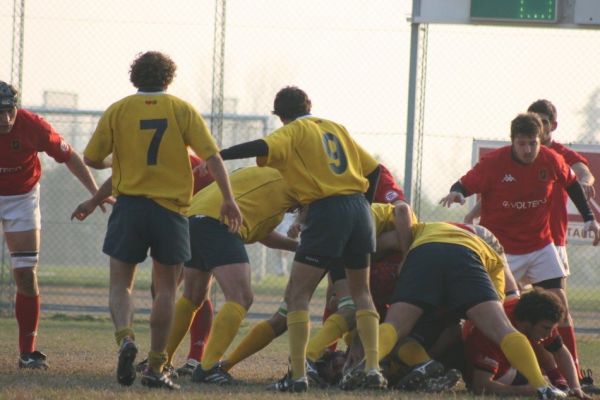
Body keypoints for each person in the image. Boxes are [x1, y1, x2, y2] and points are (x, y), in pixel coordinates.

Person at [82, 51, 241, 390]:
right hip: (170, 211)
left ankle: (125, 338)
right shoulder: (181, 109)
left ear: (134, 76)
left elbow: (92, 158)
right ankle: (156, 366)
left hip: (129, 207)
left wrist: (123, 159)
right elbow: (212, 157)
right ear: (169, 78)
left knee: (120, 284)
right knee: (166, 290)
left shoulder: (119, 109)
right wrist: (229, 199)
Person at [219, 86, 384, 392]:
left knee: (298, 294)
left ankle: (297, 376)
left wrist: (219, 154)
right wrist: (365, 206)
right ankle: (373, 368)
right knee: (362, 293)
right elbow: (375, 170)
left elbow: (262, 144)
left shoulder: (294, 129)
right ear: (310, 105)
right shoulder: (336, 127)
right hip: (360, 209)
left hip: (328, 210)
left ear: (280, 115)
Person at [343, 205, 568, 399]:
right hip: (467, 256)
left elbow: (383, 241)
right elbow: (496, 306)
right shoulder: (490, 251)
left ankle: (370, 367)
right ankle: (542, 387)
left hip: (425, 252)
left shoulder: (422, 228)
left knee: (396, 326)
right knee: (502, 330)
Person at [463, 101, 597, 391]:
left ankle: (572, 375)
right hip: (502, 251)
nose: (528, 149)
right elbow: (471, 183)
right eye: (522, 144)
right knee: (499, 310)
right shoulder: (496, 162)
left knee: (558, 305)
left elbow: (576, 180)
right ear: (513, 141)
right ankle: (482, 361)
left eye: (533, 143)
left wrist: (589, 220)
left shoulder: (552, 158)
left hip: (541, 245)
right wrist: (457, 193)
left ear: (544, 136)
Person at [162, 166, 300, 385]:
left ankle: (161, 361)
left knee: (193, 296)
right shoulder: (295, 182)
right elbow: (312, 202)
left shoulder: (259, 174)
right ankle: (207, 368)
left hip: (192, 219)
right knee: (241, 296)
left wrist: (296, 247)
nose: (294, 211)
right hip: (216, 222)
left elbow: (263, 233)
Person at [0, 81, 102, 370]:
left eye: (9, 111)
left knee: (25, 275)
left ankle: (27, 352)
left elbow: (70, 157)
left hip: (22, 198)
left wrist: (95, 194)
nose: (6, 120)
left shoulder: (33, 125)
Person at [464, 288, 590, 399]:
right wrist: (525, 390)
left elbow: (560, 350)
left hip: (509, 362)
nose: (550, 333)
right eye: (546, 328)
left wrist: (575, 386)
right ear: (526, 322)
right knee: (535, 345)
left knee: (542, 342)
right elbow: (480, 386)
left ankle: (558, 381)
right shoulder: (494, 331)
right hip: (484, 369)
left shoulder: (531, 317)